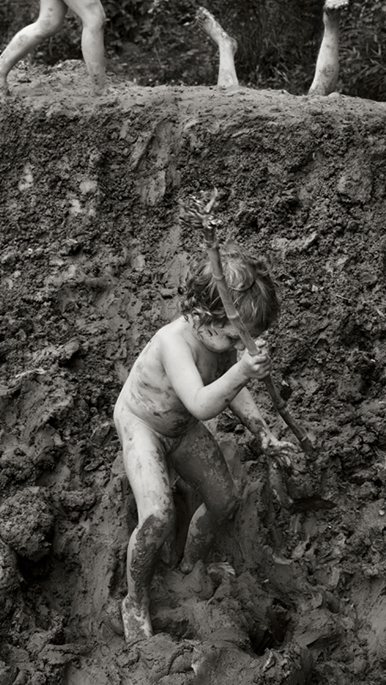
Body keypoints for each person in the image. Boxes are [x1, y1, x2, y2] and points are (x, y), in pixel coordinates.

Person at [113, 244, 293, 644]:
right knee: (158, 515)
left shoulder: (221, 345)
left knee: (224, 500)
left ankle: (190, 565)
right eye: (232, 336)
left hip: (180, 427)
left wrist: (261, 430)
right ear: (200, 317)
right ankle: (134, 600)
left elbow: (234, 389)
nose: (235, 345)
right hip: (144, 423)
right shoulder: (174, 342)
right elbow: (203, 403)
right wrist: (244, 369)